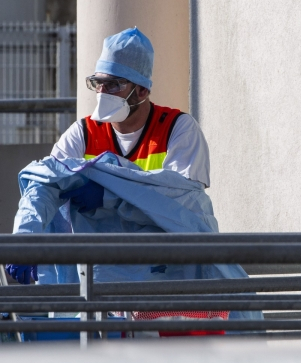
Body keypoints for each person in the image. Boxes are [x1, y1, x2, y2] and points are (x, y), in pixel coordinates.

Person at [7, 26, 211, 282]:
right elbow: (44, 184)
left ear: (142, 91)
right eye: (98, 83)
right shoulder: (83, 132)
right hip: (99, 270)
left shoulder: (177, 128)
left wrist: (109, 195)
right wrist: (26, 238)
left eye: (113, 85)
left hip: (164, 271)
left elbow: (185, 205)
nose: (102, 93)